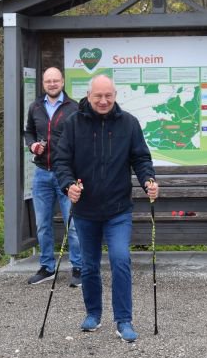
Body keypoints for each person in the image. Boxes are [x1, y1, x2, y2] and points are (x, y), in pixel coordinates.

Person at [52, 74, 158, 343]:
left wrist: (148, 180)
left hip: (118, 208)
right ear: (89, 96)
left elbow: (141, 158)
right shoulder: (73, 124)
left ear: (115, 95)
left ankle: (124, 320)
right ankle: (93, 314)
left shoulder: (129, 123)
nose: (103, 101)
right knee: (88, 265)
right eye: (98, 96)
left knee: (120, 259)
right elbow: (62, 162)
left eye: (108, 96)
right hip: (85, 209)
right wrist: (68, 186)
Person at [23, 67, 81, 288]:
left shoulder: (74, 108)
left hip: (67, 174)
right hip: (41, 174)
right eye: (48, 81)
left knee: (73, 224)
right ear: (43, 83)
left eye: (56, 80)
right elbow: (28, 131)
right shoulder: (35, 107)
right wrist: (32, 145)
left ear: (63, 82)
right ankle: (47, 267)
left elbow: (81, 138)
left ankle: (79, 267)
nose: (52, 84)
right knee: (43, 224)